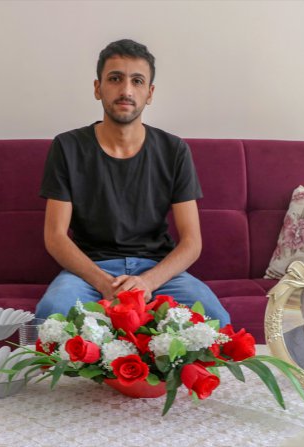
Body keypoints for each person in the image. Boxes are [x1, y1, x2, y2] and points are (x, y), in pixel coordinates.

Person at [35, 39, 230, 326]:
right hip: (89, 271)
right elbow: (55, 236)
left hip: (157, 270)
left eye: (137, 81)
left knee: (217, 320)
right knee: (50, 314)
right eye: (115, 79)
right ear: (97, 88)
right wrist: (104, 284)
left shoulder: (174, 150)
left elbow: (192, 242)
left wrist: (147, 282)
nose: (126, 90)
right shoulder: (67, 147)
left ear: (149, 93)